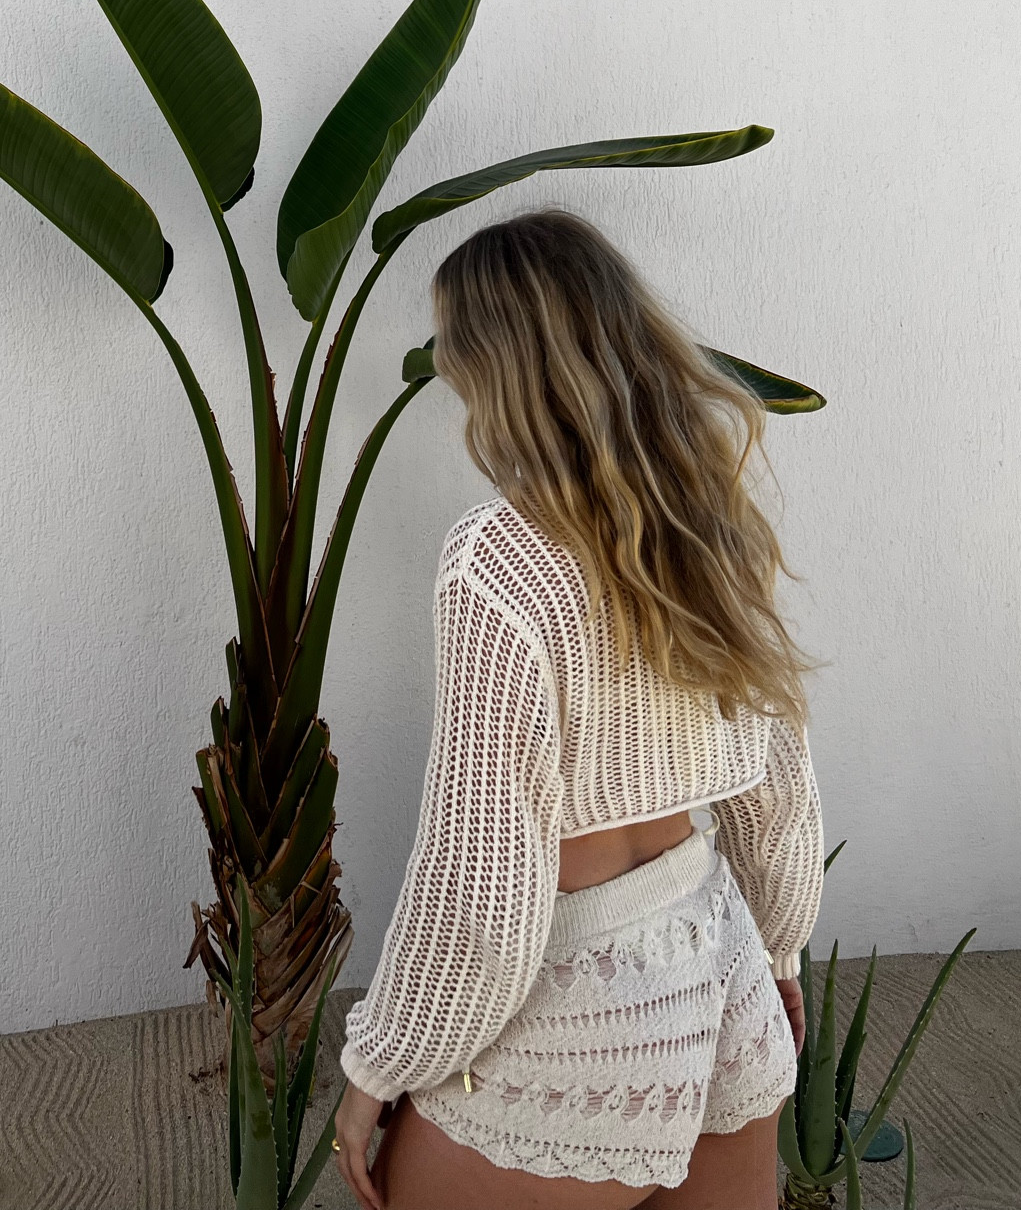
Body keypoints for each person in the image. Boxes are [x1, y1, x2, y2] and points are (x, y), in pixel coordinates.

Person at [332, 209, 823, 1210]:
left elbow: (484, 887)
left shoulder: (496, 560)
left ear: (492, 373)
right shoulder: (711, 521)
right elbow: (778, 795)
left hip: (572, 1003)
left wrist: (378, 1066)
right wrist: (777, 951)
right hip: (716, 968)